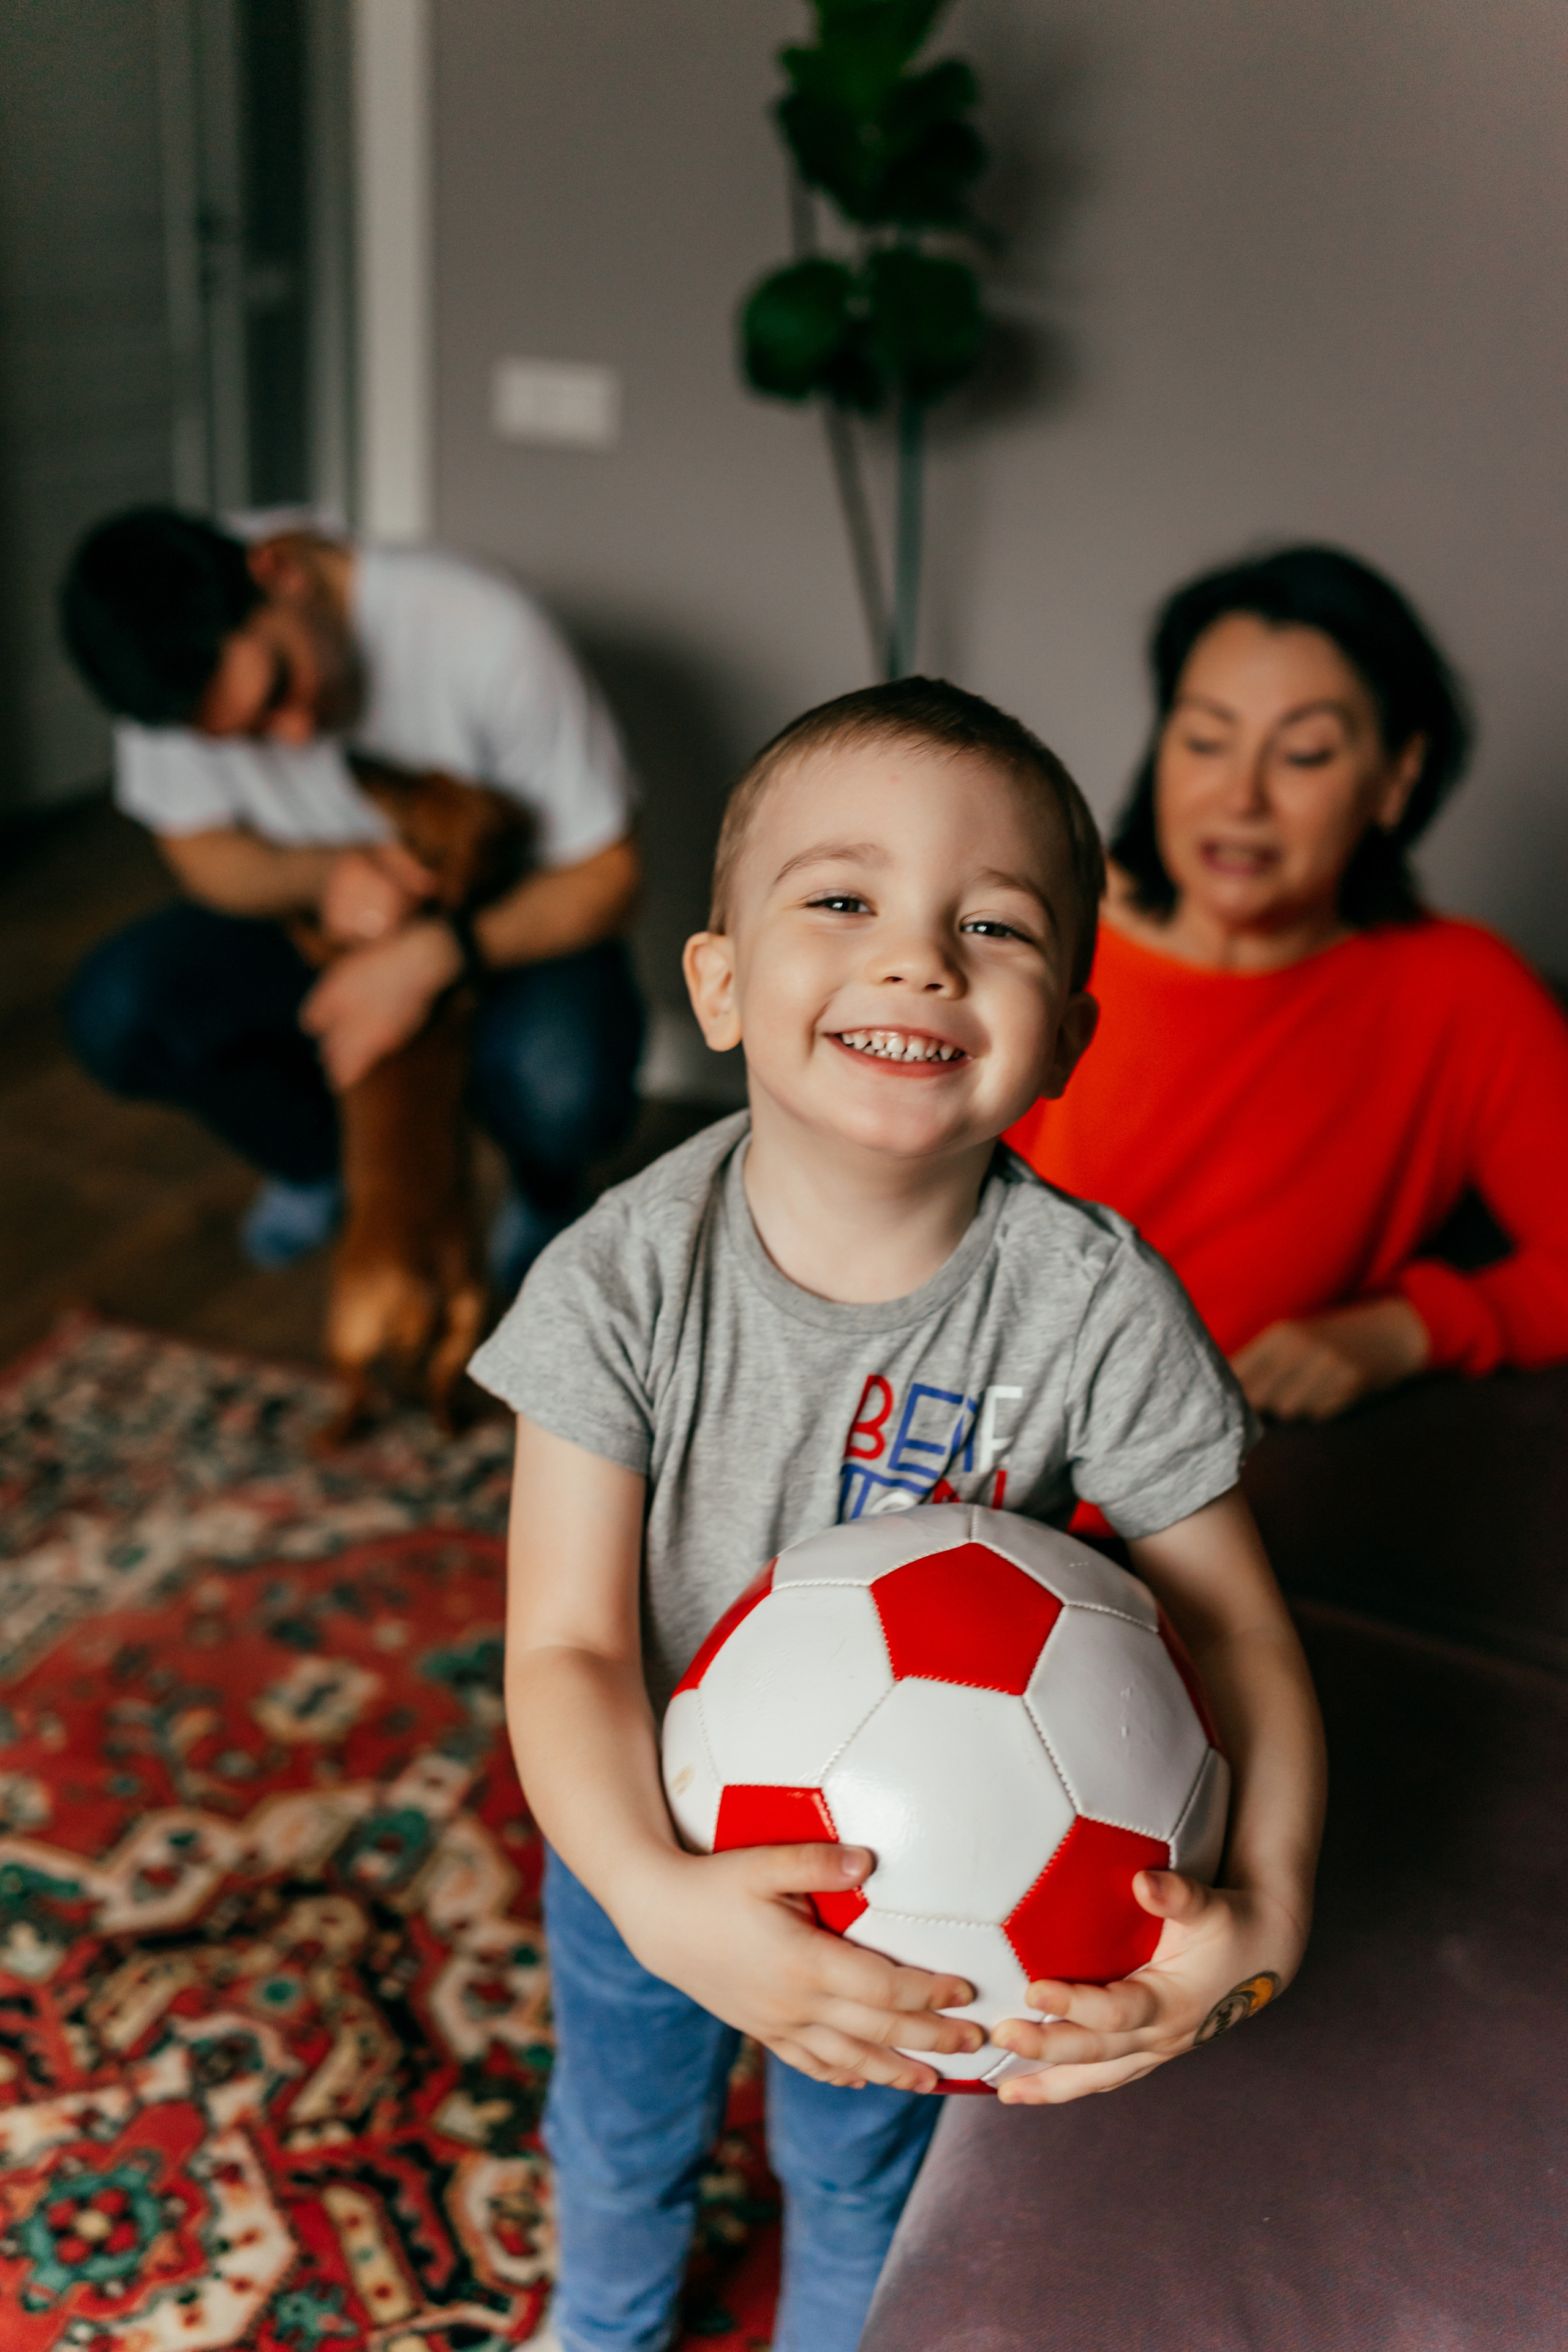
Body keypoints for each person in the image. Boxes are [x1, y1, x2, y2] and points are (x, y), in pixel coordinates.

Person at [469, 677, 1325, 2352]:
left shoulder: (1096, 1305)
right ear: (719, 982)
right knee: (623, 2136)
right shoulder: (618, 1280)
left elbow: (1234, 1625)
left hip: (946, 1872)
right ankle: (603, 2320)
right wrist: (647, 1887)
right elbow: (565, 1644)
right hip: (645, 1831)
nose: (919, 959)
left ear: (1066, 1033)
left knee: (861, 2164)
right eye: (843, 901)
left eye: (992, 925)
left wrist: (1270, 1912)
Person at [1007, 545, 1568, 1422]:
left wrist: (1406, 1331)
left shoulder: (1460, 992)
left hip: (1223, 1472)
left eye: (1304, 754)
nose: (1241, 798)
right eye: (1205, 740)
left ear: (1395, 780)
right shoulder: (1034, 921)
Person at [58, 507, 644, 1283]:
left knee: (566, 1083)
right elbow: (199, 851)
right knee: (114, 1011)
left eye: (281, 687)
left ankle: (545, 1192)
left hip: (508, 913)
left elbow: (609, 874)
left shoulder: (485, 629)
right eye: (249, 736)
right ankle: (323, 1164)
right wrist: (330, 873)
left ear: (279, 573)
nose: (297, 738)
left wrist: (435, 954)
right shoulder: (161, 667)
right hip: (315, 921)